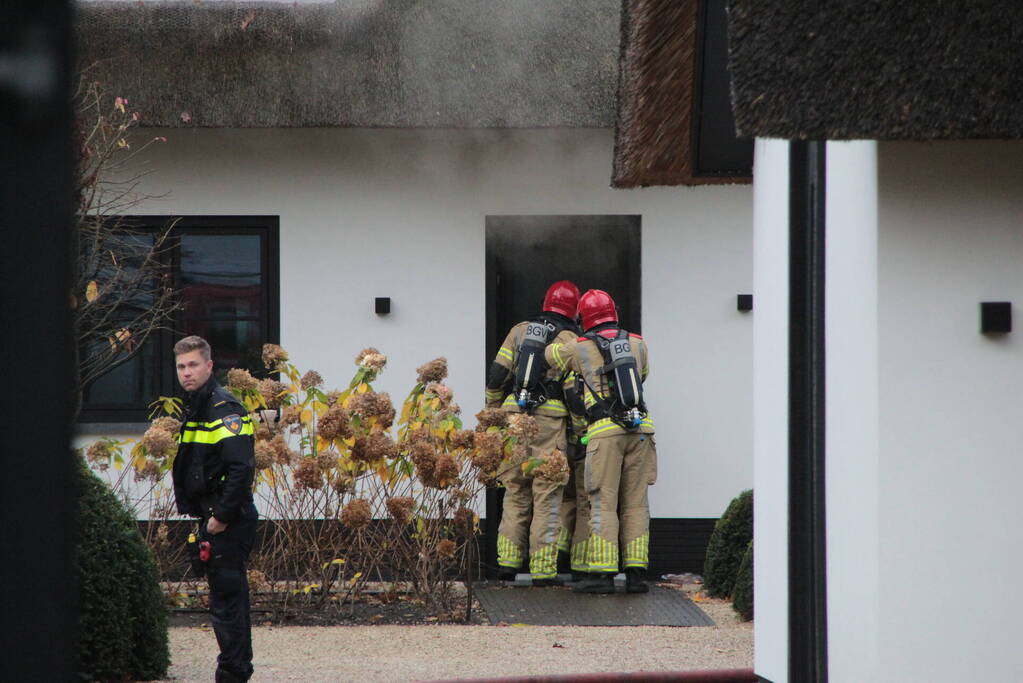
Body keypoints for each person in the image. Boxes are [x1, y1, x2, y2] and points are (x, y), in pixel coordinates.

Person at [545, 289, 656, 594]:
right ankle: (636, 574)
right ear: (613, 313)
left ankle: (604, 574)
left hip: (604, 431)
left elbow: (550, 356)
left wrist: (558, 333)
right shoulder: (637, 342)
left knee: (602, 501)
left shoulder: (580, 346)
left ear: (585, 318)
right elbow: (642, 376)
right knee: (635, 503)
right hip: (642, 427)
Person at [170, 335, 257, 682]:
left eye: (193, 365)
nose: (186, 372)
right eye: (181, 366)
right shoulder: (197, 406)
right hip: (212, 517)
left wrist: (220, 517)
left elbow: (241, 468)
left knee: (228, 605)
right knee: (224, 602)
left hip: (228, 520)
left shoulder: (224, 407)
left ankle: (233, 675)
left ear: (209, 366)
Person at [485, 280, 580, 585]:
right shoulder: (570, 339)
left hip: (514, 415)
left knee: (514, 491)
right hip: (549, 421)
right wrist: (578, 431)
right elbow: (573, 391)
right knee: (547, 494)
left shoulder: (519, 330)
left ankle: (507, 565)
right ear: (574, 310)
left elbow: (498, 373)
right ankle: (542, 571)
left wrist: (494, 412)